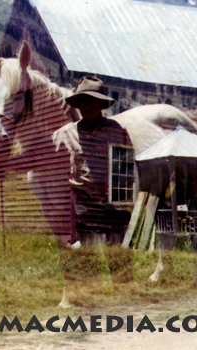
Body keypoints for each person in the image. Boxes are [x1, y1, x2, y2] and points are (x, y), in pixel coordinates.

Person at [53, 76, 133, 245]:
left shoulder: (117, 131)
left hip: (112, 206)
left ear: (101, 105)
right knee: (86, 259)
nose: (87, 106)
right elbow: (55, 174)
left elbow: (127, 169)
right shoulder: (64, 134)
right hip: (81, 208)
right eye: (83, 102)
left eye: (93, 101)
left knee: (118, 259)